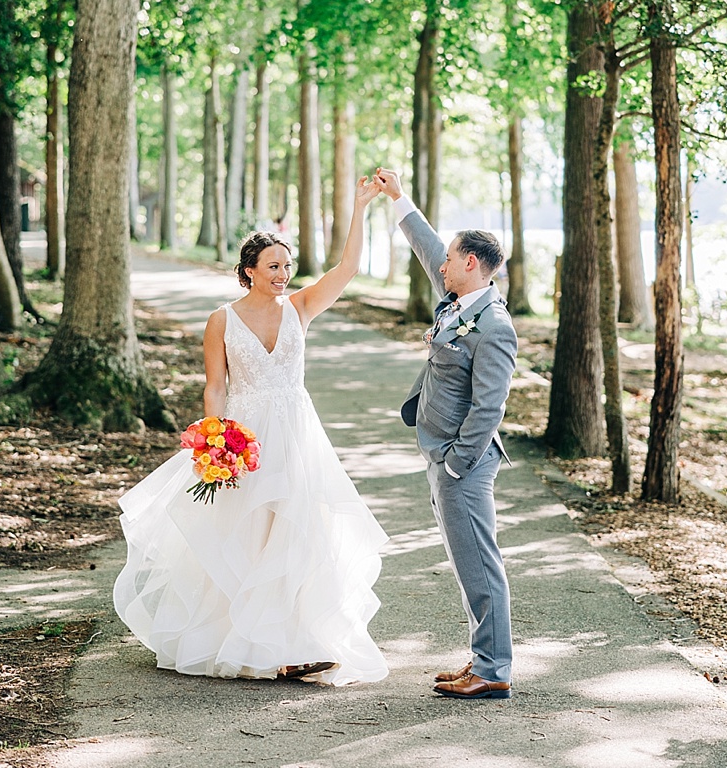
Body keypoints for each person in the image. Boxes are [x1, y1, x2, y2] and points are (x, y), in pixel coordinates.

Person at [113, 177, 388, 686]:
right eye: (274, 267)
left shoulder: (301, 308)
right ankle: (250, 643)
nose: (284, 274)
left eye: (287, 265)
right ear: (248, 273)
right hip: (244, 439)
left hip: (296, 434)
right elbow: (215, 386)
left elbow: (347, 269)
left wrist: (359, 207)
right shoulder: (221, 320)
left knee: (299, 533)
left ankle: (299, 644)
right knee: (250, 536)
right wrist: (214, 442)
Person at [375, 167, 517, 700]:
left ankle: (494, 669)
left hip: (464, 464)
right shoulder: (458, 299)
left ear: (472, 264)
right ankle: (483, 657)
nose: (443, 264)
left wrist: (455, 464)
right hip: (442, 457)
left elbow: (489, 407)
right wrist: (398, 198)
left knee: (481, 564)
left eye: (452, 259)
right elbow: (427, 243)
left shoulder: (494, 326)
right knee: (467, 565)